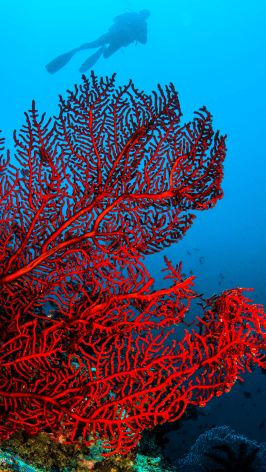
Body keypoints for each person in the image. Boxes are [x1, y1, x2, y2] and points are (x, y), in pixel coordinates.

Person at [46, 10, 150, 74]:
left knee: (105, 55)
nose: (142, 16)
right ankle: (77, 50)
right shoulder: (131, 15)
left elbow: (144, 41)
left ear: (145, 17)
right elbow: (115, 19)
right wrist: (126, 23)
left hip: (118, 42)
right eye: (143, 14)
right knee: (93, 44)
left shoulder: (143, 26)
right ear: (140, 12)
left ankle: (100, 50)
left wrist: (136, 33)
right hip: (112, 35)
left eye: (144, 15)